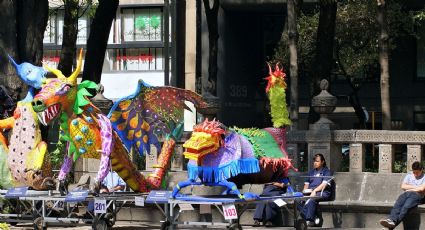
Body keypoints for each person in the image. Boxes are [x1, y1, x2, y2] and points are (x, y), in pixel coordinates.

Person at [380, 161, 425, 229]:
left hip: (417, 195)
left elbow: (422, 189)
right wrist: (416, 187)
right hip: (407, 194)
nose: (415, 174)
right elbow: (403, 186)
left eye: (417, 172)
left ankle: (391, 226)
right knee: (398, 204)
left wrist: (410, 187)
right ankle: (391, 220)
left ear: (422, 170)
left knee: (405, 208)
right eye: (414, 172)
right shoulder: (409, 175)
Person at [298, 153, 333, 227]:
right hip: (310, 192)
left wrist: (315, 191)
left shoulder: (326, 171)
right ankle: (313, 218)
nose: (315, 163)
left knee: (312, 199)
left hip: (322, 192)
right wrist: (304, 192)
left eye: (317, 161)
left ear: (322, 162)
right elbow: (306, 184)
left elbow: (324, 184)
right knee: (298, 201)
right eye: (314, 161)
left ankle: (309, 220)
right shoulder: (311, 172)